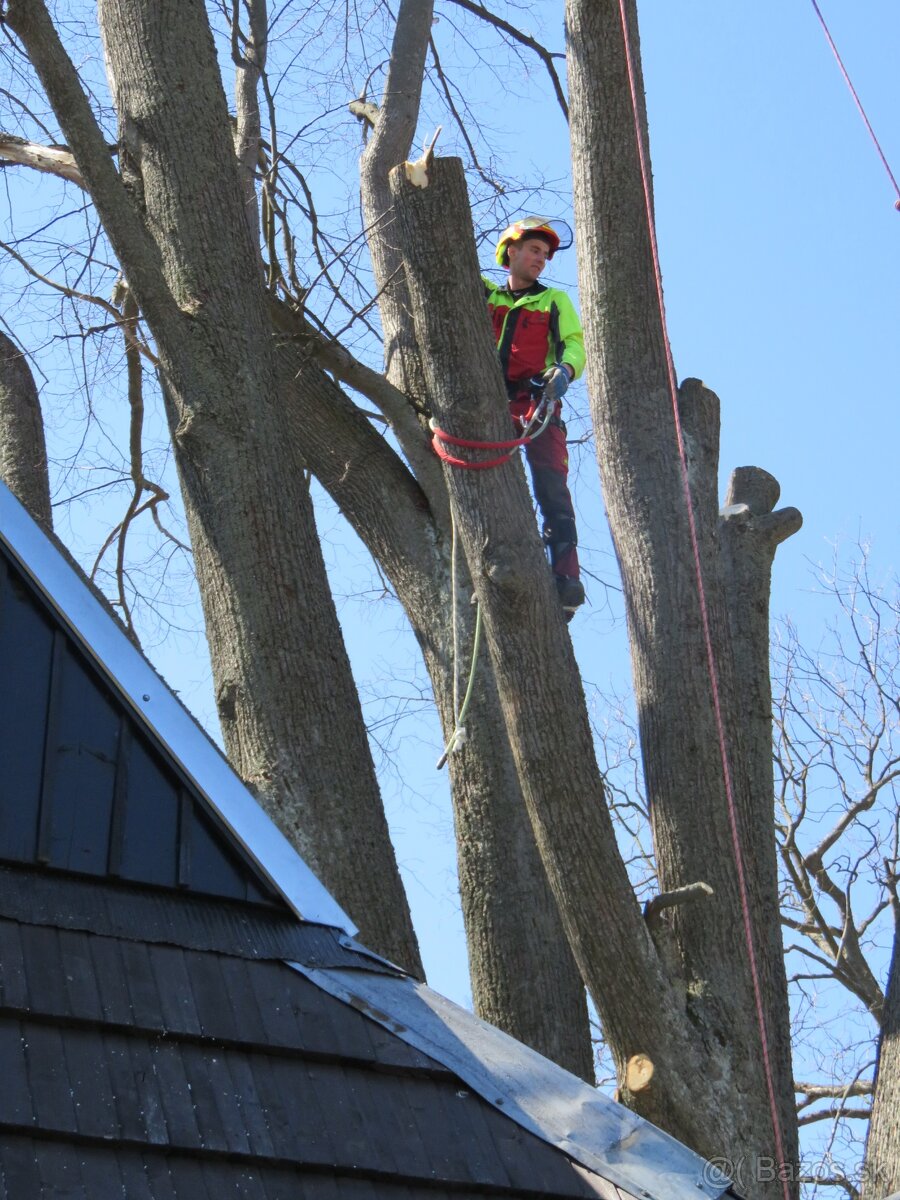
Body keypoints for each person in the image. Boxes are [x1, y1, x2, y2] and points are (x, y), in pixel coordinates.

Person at [484, 217, 586, 617]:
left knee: (551, 485)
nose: (541, 260)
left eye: (545, 255)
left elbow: (573, 344)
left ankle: (565, 578)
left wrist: (564, 371)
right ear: (511, 251)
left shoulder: (552, 300)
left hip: (537, 400)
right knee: (487, 477)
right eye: (534, 250)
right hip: (490, 400)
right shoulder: (486, 293)